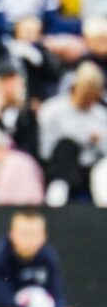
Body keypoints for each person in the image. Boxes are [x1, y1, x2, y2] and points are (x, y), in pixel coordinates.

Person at [37, 61, 107, 205]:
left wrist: (99, 141)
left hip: (90, 166)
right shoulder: (52, 110)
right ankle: (56, 200)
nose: (87, 99)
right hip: (60, 166)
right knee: (66, 145)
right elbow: (45, 151)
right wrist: (79, 140)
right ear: (75, 87)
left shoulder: (101, 115)